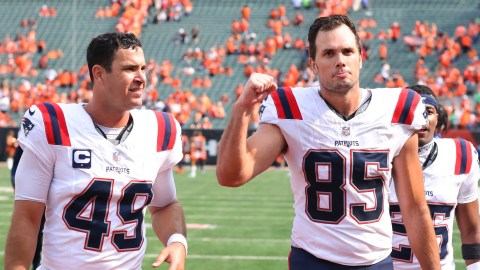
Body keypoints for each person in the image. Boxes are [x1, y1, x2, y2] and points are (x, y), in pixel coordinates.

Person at [216, 14, 440, 269]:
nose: (340, 61)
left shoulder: (396, 109)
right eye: (329, 53)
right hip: (313, 259)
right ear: (313, 64)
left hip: (375, 262)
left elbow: (415, 208)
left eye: (347, 51)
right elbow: (231, 175)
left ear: (360, 57)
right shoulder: (292, 108)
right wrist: (242, 110)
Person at [5, 32, 187, 270]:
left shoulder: (159, 129)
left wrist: (177, 241)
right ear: (99, 74)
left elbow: (164, 205)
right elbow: (27, 216)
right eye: (130, 68)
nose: (141, 78)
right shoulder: (53, 125)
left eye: (143, 68)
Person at [389, 85, 480, 269]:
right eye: (413, 112)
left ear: (437, 117)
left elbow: (471, 230)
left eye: (428, 111)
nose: (421, 119)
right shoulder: (379, 157)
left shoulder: (460, 154)